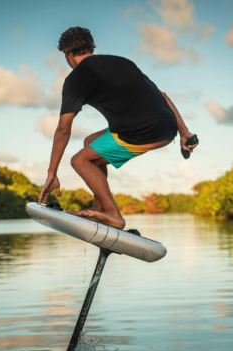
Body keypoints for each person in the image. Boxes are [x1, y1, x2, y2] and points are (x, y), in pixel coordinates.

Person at [38, 26, 197, 229]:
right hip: (166, 126)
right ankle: (101, 207)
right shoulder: (122, 62)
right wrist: (184, 133)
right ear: (90, 47)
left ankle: (113, 215)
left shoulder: (76, 78)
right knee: (90, 143)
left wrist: (52, 173)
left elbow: (63, 129)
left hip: (142, 132)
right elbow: (163, 96)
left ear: (68, 54)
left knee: (79, 161)